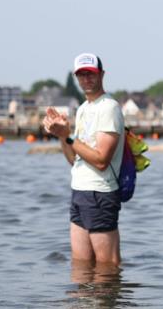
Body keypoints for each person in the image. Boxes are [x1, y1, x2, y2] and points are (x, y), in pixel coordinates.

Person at [43, 53, 125, 266]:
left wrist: (68, 136)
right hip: (79, 190)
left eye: (91, 74)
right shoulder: (82, 109)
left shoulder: (108, 107)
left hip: (100, 192)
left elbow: (101, 160)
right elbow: (74, 159)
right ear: (76, 77)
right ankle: (82, 301)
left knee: (107, 266)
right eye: (82, 75)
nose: (87, 79)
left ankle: (111, 300)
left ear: (102, 75)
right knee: (80, 264)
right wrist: (62, 136)